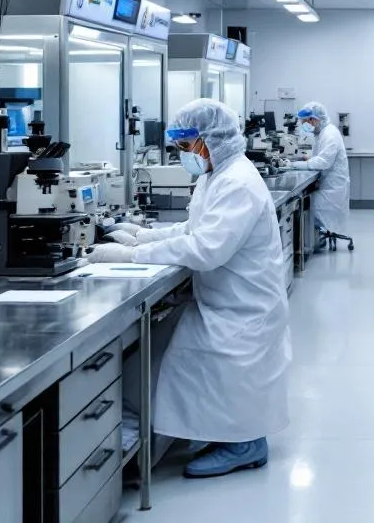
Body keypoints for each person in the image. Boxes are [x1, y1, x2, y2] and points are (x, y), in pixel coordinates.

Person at [91, 99, 291, 479]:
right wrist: (141, 236)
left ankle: (245, 444)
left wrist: (131, 256)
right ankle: (218, 434)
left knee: (200, 364)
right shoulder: (214, 176)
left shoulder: (238, 183)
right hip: (225, 299)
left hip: (243, 307)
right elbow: (193, 228)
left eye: (187, 146)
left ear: (211, 140)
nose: (184, 155)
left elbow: (206, 247)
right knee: (188, 363)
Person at [290, 102, 350, 247]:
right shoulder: (323, 133)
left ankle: (306, 243)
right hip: (330, 184)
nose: (304, 125)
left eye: (305, 122)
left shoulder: (329, 134)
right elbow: (322, 157)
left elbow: (324, 162)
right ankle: (311, 239)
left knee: (302, 203)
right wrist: (309, 160)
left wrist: (293, 164)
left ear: (314, 119)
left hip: (332, 189)